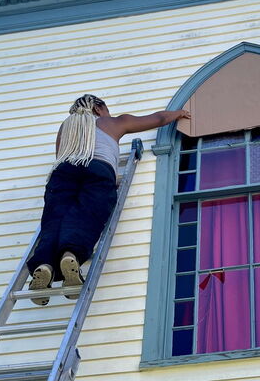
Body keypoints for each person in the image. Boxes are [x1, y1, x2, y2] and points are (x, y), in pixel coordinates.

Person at [26, 94, 190, 305]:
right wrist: (179, 113)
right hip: (98, 168)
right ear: (99, 108)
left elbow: (61, 157)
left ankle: (44, 265)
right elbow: (157, 118)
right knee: (88, 214)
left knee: (54, 219)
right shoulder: (111, 122)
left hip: (63, 173)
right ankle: (71, 254)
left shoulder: (66, 126)